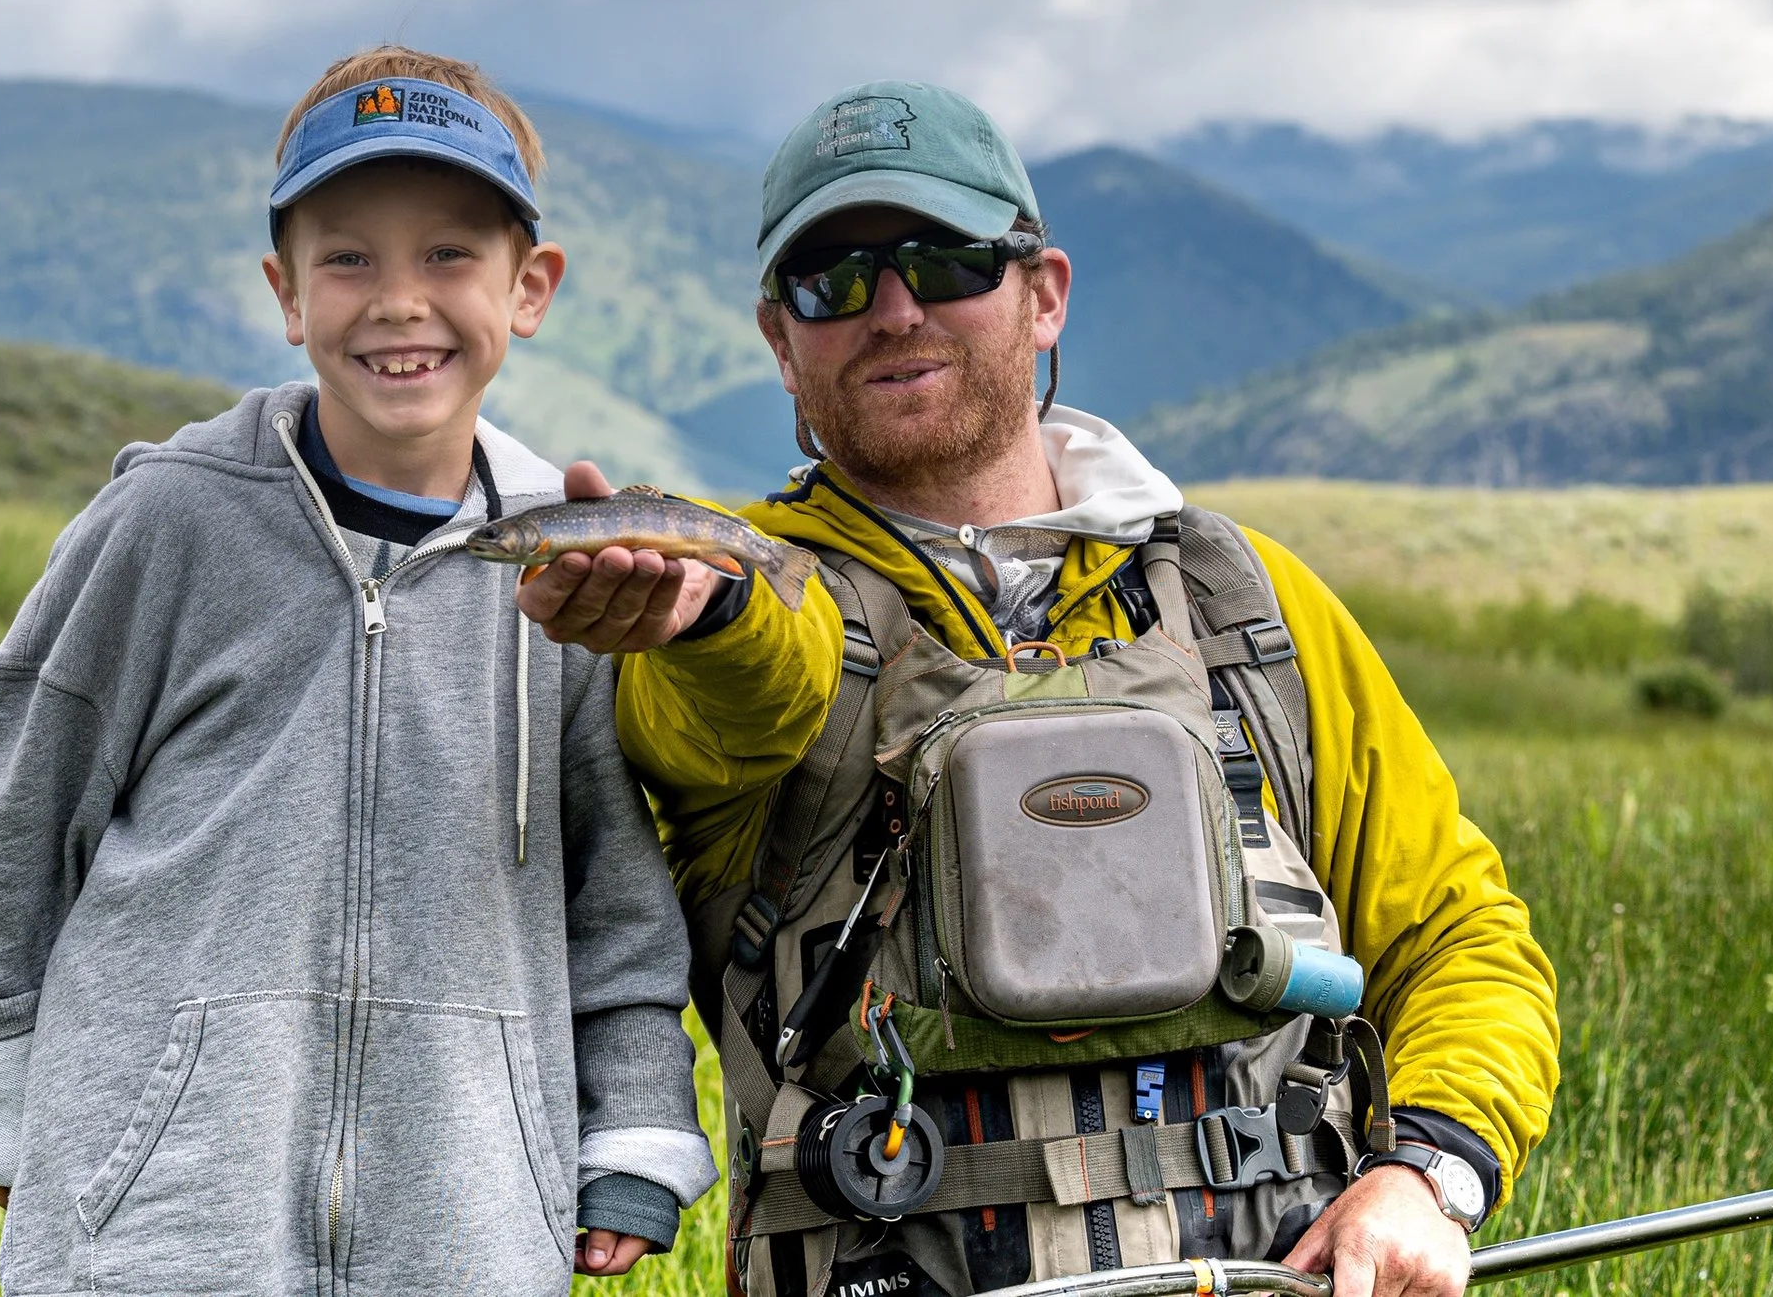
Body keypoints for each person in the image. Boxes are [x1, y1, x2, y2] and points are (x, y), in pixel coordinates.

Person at [522, 81, 1559, 1297]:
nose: (894, 308)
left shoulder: (1247, 599)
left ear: (1044, 291)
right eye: (833, 280)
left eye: (947, 260)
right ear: (779, 337)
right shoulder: (728, 595)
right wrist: (708, 613)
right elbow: (747, 688)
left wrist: (1423, 1171)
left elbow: (1458, 935)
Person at [0, 47, 716, 1295]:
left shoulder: (569, 569)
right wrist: (5, 1078)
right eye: (347, 256)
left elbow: (611, 883)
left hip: (463, 1218)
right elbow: (15, 806)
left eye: (449, 253)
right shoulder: (170, 521)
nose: (397, 299)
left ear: (532, 287)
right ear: (285, 292)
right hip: (162, 1223)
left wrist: (630, 1121)